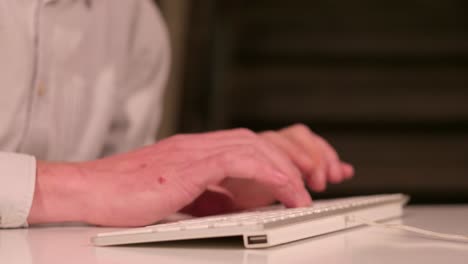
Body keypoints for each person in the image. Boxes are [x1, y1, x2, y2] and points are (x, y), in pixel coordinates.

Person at [0, 0, 354, 228]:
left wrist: (205, 183)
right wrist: (69, 186)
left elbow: (114, 190)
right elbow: (95, 186)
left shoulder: (137, 21)